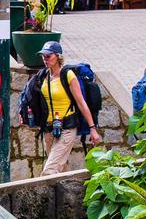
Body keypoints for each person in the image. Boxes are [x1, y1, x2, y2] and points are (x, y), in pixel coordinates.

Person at [37, 42, 102, 176]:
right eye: (43, 56)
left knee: (49, 171)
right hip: (49, 130)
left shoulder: (68, 75)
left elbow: (81, 103)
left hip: (66, 129)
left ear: (58, 57)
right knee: (61, 171)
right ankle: (75, 193)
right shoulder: (44, 76)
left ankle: (47, 198)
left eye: (48, 56)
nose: (45, 59)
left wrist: (92, 128)